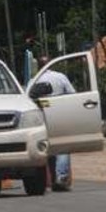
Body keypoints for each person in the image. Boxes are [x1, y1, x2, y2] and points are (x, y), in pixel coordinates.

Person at [37, 56, 75, 191]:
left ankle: (46, 179)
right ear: (50, 65)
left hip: (41, 117)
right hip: (60, 114)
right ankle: (61, 177)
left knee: (44, 147)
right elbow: (72, 94)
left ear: (38, 65)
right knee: (62, 146)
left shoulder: (34, 80)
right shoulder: (61, 77)